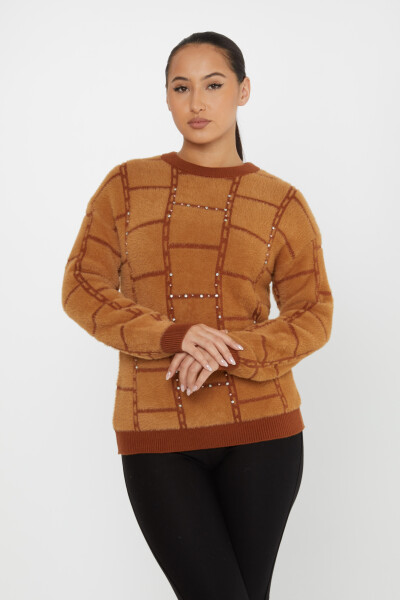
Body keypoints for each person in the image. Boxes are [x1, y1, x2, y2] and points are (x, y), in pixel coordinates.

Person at [62, 31, 334, 600]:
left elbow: (313, 313)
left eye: (213, 85)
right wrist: (174, 335)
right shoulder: (126, 186)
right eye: (181, 87)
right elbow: (82, 288)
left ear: (243, 91)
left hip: (264, 432)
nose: (197, 102)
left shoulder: (281, 201)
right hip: (155, 430)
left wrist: (226, 349)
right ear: (166, 96)